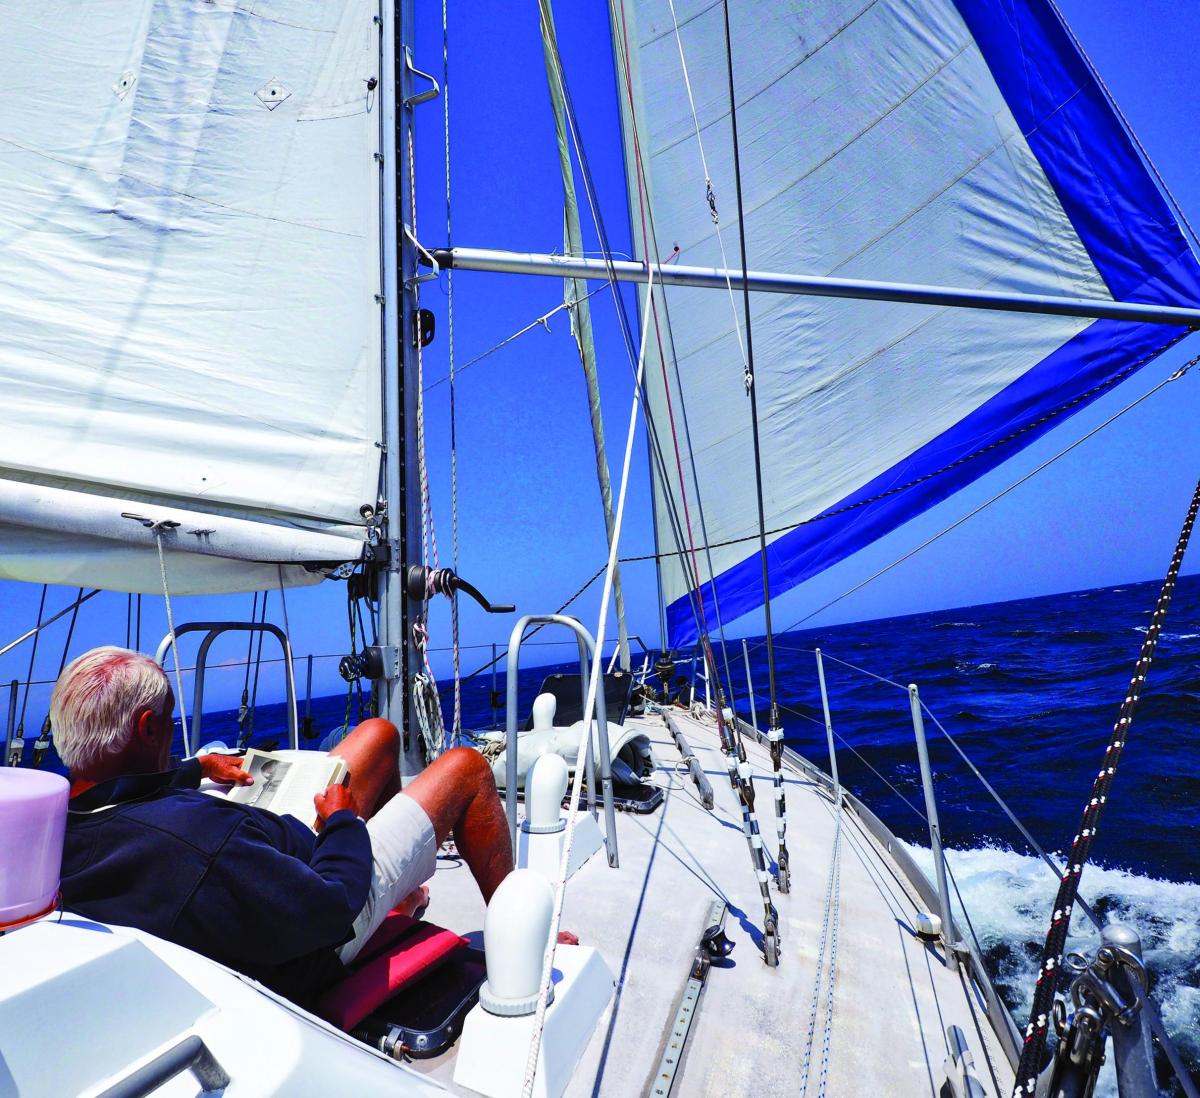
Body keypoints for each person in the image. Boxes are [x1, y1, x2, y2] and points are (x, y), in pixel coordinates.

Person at [55, 645, 516, 1008]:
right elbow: (329, 906)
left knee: (379, 735)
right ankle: (517, 928)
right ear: (149, 727)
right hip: (323, 911)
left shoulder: (56, 825)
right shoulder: (196, 843)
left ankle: (397, 896)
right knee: (466, 769)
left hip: (267, 873)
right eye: (169, 723)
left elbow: (116, 788)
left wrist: (195, 769)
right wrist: (343, 822)